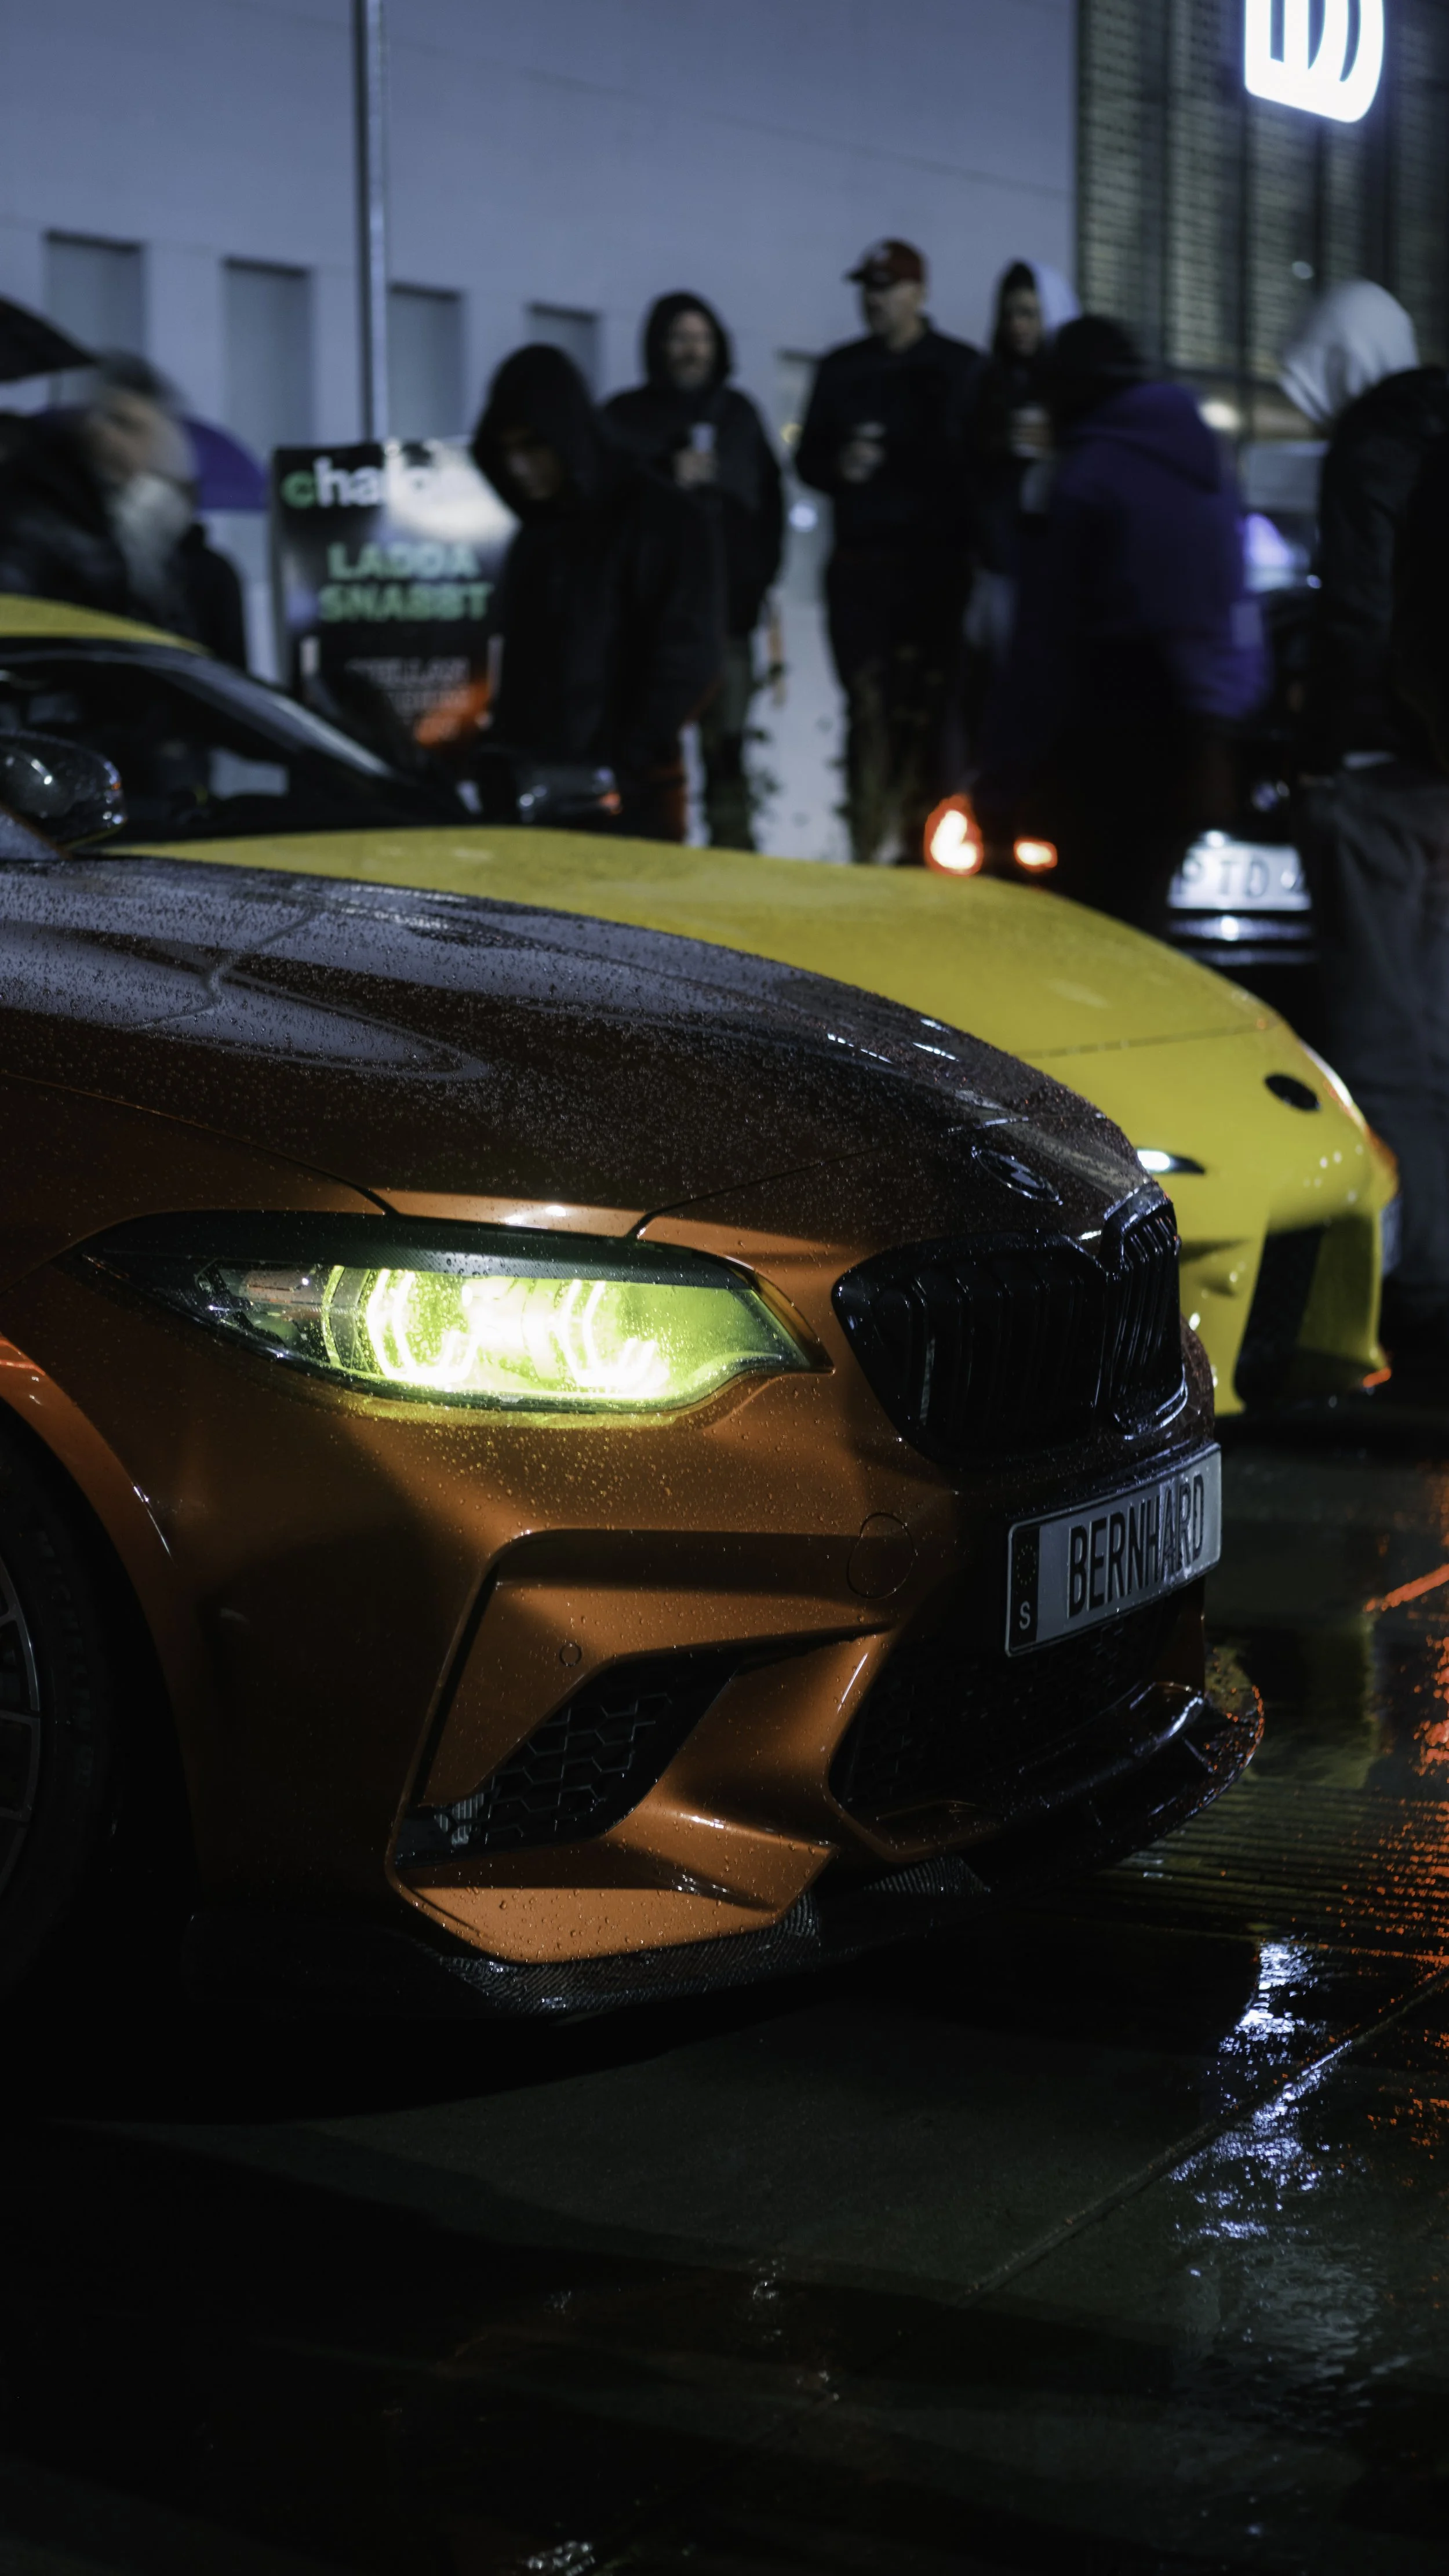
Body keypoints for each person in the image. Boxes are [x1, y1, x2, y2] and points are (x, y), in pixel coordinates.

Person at [1281, 281, 1449, 1389]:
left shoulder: (1373, 447)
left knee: (1386, 1044)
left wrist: (1330, 741)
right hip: (1440, 770)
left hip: (1383, 773)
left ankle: (1422, 1289)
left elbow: (1360, 613)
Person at [974, 316, 1265, 928]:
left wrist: (1001, 779)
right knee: (1150, 926)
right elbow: (1231, 604)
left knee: (1090, 932)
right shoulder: (1200, 461)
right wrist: (1222, 729)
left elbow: (1044, 644)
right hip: (1193, 736)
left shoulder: (1087, 476)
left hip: (1106, 733)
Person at [471, 343, 723, 842]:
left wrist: (616, 769)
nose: (520, 467)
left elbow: (688, 660)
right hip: (541, 799)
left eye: (533, 446)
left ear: (564, 437)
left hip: (629, 807)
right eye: (507, 451)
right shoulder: (537, 532)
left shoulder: (661, 519)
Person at [796, 239, 985, 865]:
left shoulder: (960, 369)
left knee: (930, 709)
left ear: (918, 293)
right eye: (867, 288)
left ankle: (921, 847)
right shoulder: (842, 368)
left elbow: (983, 468)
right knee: (869, 709)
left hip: (936, 567)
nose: (873, 301)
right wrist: (841, 464)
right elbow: (808, 460)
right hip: (862, 565)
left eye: (886, 287)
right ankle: (868, 840)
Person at [603, 293, 783, 848]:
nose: (690, 349)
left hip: (726, 622)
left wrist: (754, 596)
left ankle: (735, 886)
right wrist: (665, 472)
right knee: (647, 760)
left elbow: (769, 510)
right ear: (658, 345)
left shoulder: (738, 416)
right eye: (679, 337)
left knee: (727, 759)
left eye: (700, 337)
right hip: (646, 629)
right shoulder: (626, 418)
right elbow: (603, 501)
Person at [964, 259, 1080, 740]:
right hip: (995, 566)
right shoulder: (985, 382)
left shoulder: (1072, 386)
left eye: (1030, 314)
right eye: (1011, 313)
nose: (1019, 325)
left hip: (1052, 571)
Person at [0, 354, 198, 634]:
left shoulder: (148, 527)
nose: (112, 437)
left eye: (134, 428)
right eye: (112, 420)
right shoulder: (37, 515)